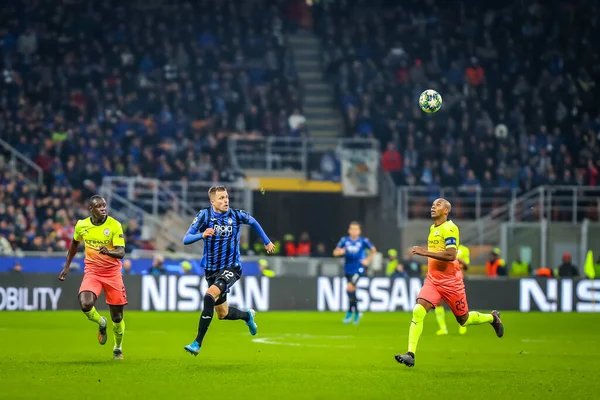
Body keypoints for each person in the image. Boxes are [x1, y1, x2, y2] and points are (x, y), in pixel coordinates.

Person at [395, 198, 504, 368]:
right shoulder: (433, 228)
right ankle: (411, 354)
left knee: (464, 319)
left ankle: (492, 318)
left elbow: (451, 255)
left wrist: (425, 253)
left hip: (451, 283)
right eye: (432, 204)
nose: (433, 206)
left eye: (438, 205)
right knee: (418, 310)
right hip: (433, 281)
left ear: (446, 211)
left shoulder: (450, 228)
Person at [182, 186, 274, 356]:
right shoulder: (204, 215)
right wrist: (201, 235)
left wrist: (266, 241)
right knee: (222, 314)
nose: (225, 201)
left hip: (232, 267)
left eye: (226, 197)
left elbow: (253, 221)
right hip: (211, 270)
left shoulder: (236, 215)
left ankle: (197, 343)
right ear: (212, 202)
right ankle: (247, 316)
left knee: (209, 295)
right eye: (221, 198)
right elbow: (186, 239)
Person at [58, 195, 127, 360]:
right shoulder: (82, 225)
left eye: (104, 205)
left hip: (112, 273)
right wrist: (67, 266)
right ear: (91, 209)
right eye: (99, 206)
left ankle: (118, 347)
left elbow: (121, 252)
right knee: (85, 304)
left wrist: (108, 251)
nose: (103, 208)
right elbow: (74, 243)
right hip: (93, 272)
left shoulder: (114, 225)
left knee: (117, 318)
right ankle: (101, 323)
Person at [333, 221, 376, 324]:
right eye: (352, 229)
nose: (354, 231)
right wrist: (340, 251)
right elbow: (335, 252)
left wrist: (368, 260)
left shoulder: (363, 241)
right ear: (349, 230)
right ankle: (355, 312)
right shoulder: (344, 241)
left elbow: (373, 250)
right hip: (348, 269)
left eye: (356, 229)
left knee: (350, 287)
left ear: (359, 231)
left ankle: (351, 312)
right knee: (351, 291)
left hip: (359, 268)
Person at [434, 243, 470, 336]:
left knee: (458, 304)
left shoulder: (464, 249)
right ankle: (443, 328)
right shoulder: (443, 248)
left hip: (456, 278)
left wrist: (456, 258)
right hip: (443, 277)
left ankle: (463, 325)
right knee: (439, 302)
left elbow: (466, 266)